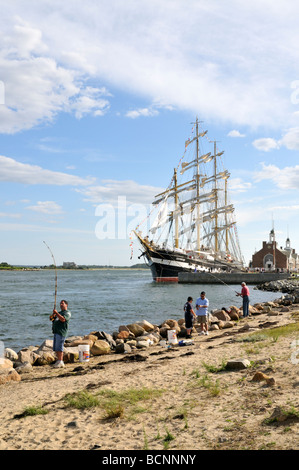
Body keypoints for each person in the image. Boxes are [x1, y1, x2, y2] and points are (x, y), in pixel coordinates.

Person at [50, 299, 71, 368]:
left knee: (60, 347)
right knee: (56, 348)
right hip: (56, 331)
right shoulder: (59, 313)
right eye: (60, 304)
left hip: (61, 332)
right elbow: (51, 319)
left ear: (66, 305)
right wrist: (53, 315)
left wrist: (57, 313)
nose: (61, 305)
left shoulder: (67, 313)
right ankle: (58, 361)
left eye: (62, 303)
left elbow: (63, 319)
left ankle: (61, 361)